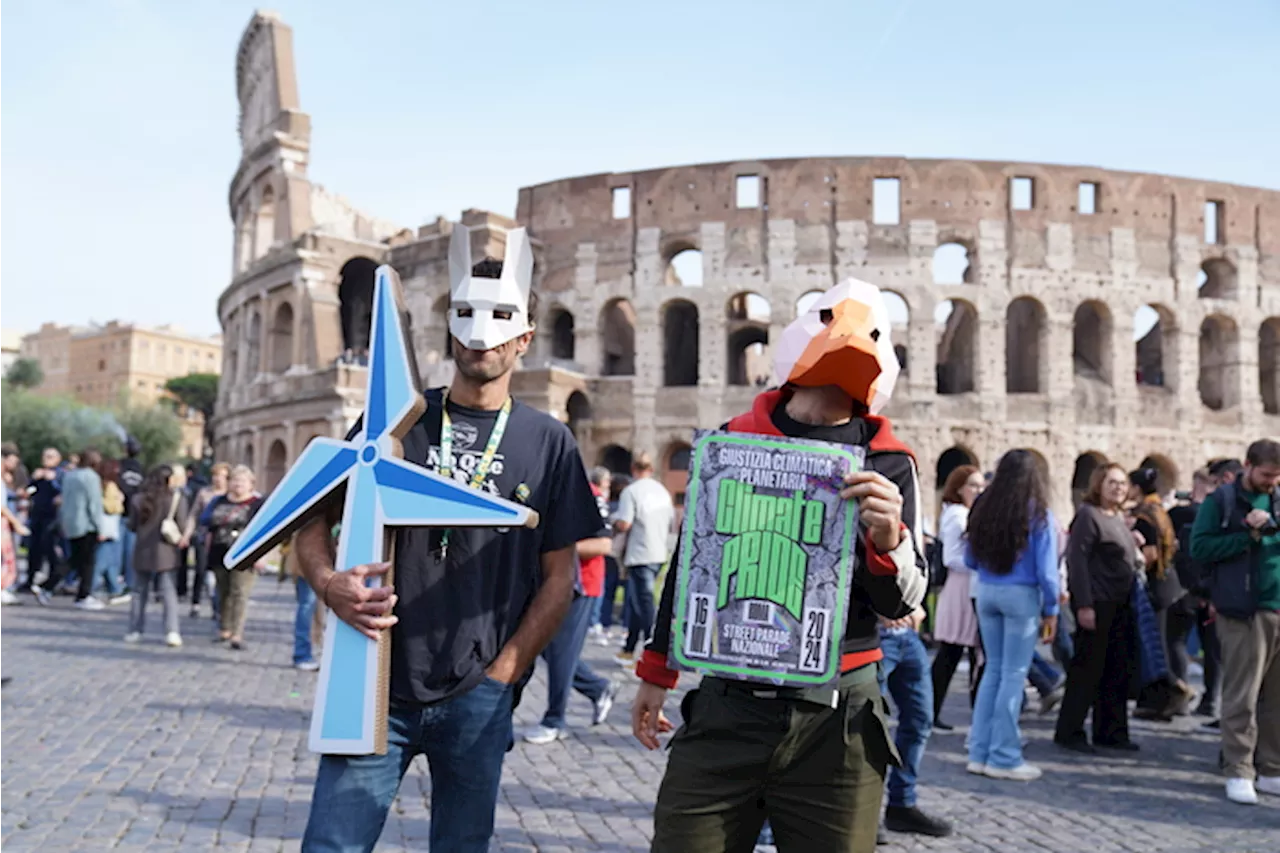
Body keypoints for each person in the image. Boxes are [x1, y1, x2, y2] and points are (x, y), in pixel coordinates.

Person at [293, 225, 603, 852]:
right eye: (465, 314)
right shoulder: (392, 419)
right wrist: (330, 585)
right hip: (377, 683)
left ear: (524, 337)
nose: (478, 335)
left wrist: (504, 672)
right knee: (331, 846)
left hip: (477, 697)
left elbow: (557, 579)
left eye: (497, 319)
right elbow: (310, 523)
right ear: (449, 325)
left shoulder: (548, 443)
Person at [631, 278, 928, 852]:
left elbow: (901, 604)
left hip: (838, 716)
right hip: (728, 705)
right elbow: (694, 562)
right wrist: (656, 669)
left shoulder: (888, 463)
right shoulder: (730, 444)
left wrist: (888, 538)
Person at [1190, 439, 1280, 805]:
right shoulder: (1221, 502)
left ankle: (1272, 767)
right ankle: (1239, 767)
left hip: (1276, 606)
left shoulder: (1277, 498)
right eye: (1266, 475)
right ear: (1247, 466)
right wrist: (1248, 535)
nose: (1271, 482)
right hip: (1242, 608)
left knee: (1276, 698)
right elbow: (1200, 548)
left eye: (1276, 476)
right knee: (1241, 694)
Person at [964, 450, 1059, 782]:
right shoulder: (1040, 515)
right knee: (1013, 675)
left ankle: (979, 750)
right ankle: (1004, 754)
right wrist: (1052, 609)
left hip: (987, 590)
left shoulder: (985, 509)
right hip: (1022, 595)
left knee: (992, 670)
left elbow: (970, 560)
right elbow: (1048, 574)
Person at [1054, 463, 1142, 754]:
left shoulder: (1117, 517)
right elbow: (1077, 562)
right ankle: (1071, 730)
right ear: (1099, 485)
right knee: (1086, 670)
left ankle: (1112, 731)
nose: (1118, 487)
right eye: (1111, 482)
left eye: (1122, 482)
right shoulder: (1088, 516)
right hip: (1098, 602)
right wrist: (1085, 604)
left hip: (1121, 603)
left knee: (1117, 669)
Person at [524, 520, 619, 744]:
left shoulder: (589, 494)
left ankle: (555, 720)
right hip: (552, 582)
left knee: (560, 652)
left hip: (581, 585)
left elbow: (603, 545)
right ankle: (598, 688)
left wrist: (550, 549)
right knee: (549, 649)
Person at [878, 603, 953, 837]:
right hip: (872, 634)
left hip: (907, 635)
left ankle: (902, 804)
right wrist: (878, 607)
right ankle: (861, 811)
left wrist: (917, 604)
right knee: (865, 727)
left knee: (919, 721)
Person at [1129, 467, 1196, 720]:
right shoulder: (1160, 511)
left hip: (1156, 586)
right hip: (1170, 583)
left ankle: (1171, 690)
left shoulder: (1145, 515)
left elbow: (1150, 554)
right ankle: (1164, 697)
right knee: (1163, 643)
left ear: (1136, 488)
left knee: (1153, 646)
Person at [930, 464, 983, 730]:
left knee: (959, 655)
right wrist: (979, 562)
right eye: (972, 485)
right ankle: (930, 709)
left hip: (966, 585)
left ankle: (932, 709)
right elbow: (951, 557)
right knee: (950, 654)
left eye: (980, 485)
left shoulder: (962, 513)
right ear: (959, 488)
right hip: (960, 587)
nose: (977, 490)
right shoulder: (957, 515)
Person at [611, 452, 675, 667]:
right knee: (636, 602)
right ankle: (629, 648)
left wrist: (612, 521)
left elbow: (624, 524)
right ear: (652, 469)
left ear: (632, 469)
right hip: (658, 552)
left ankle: (651, 653)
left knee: (645, 605)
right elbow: (671, 523)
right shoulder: (663, 492)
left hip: (639, 554)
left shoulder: (631, 491)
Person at [124, 464, 194, 647]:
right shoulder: (176, 499)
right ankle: (172, 631)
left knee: (139, 592)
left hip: (142, 549)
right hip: (166, 551)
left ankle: (135, 630)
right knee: (168, 592)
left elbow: (131, 525)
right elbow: (182, 524)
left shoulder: (138, 499)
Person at [202, 465, 265, 650]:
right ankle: (224, 628)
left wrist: (262, 555)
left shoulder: (257, 503)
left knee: (240, 593)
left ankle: (237, 633)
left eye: (243, 481)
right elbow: (205, 520)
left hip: (246, 554)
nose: (238, 484)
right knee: (223, 592)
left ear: (251, 484)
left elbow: (264, 531)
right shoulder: (218, 501)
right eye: (235, 480)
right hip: (220, 551)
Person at [42, 448, 106, 610]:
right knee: (88, 561)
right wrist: (100, 527)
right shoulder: (91, 478)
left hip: (71, 522)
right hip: (87, 525)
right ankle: (83, 595)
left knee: (75, 559)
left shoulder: (70, 476)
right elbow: (94, 504)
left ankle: (48, 586)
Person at [188, 462, 229, 619]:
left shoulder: (229, 495)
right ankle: (196, 603)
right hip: (203, 536)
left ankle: (216, 606)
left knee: (217, 573)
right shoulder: (204, 493)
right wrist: (187, 534)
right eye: (215, 475)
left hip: (221, 538)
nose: (217, 479)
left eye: (221, 476)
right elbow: (194, 514)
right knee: (200, 570)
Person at [23, 447, 65, 593]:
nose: (46, 459)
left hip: (52, 516)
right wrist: (33, 479)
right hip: (37, 514)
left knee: (50, 548)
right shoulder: (39, 473)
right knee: (34, 548)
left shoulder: (61, 474)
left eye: (50, 456)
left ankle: (53, 580)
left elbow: (63, 492)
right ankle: (30, 579)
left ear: (58, 459)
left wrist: (52, 480)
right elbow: (28, 490)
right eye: (44, 456)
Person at [91, 458, 130, 605]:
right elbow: (112, 507)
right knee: (103, 560)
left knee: (109, 560)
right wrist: (120, 501)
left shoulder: (98, 484)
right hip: (109, 526)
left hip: (102, 525)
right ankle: (92, 589)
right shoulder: (110, 486)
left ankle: (115, 588)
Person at [117, 436, 145, 592]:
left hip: (120, 513)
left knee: (118, 550)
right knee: (130, 551)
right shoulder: (142, 469)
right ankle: (130, 582)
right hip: (135, 514)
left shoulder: (120, 466)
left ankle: (118, 581)